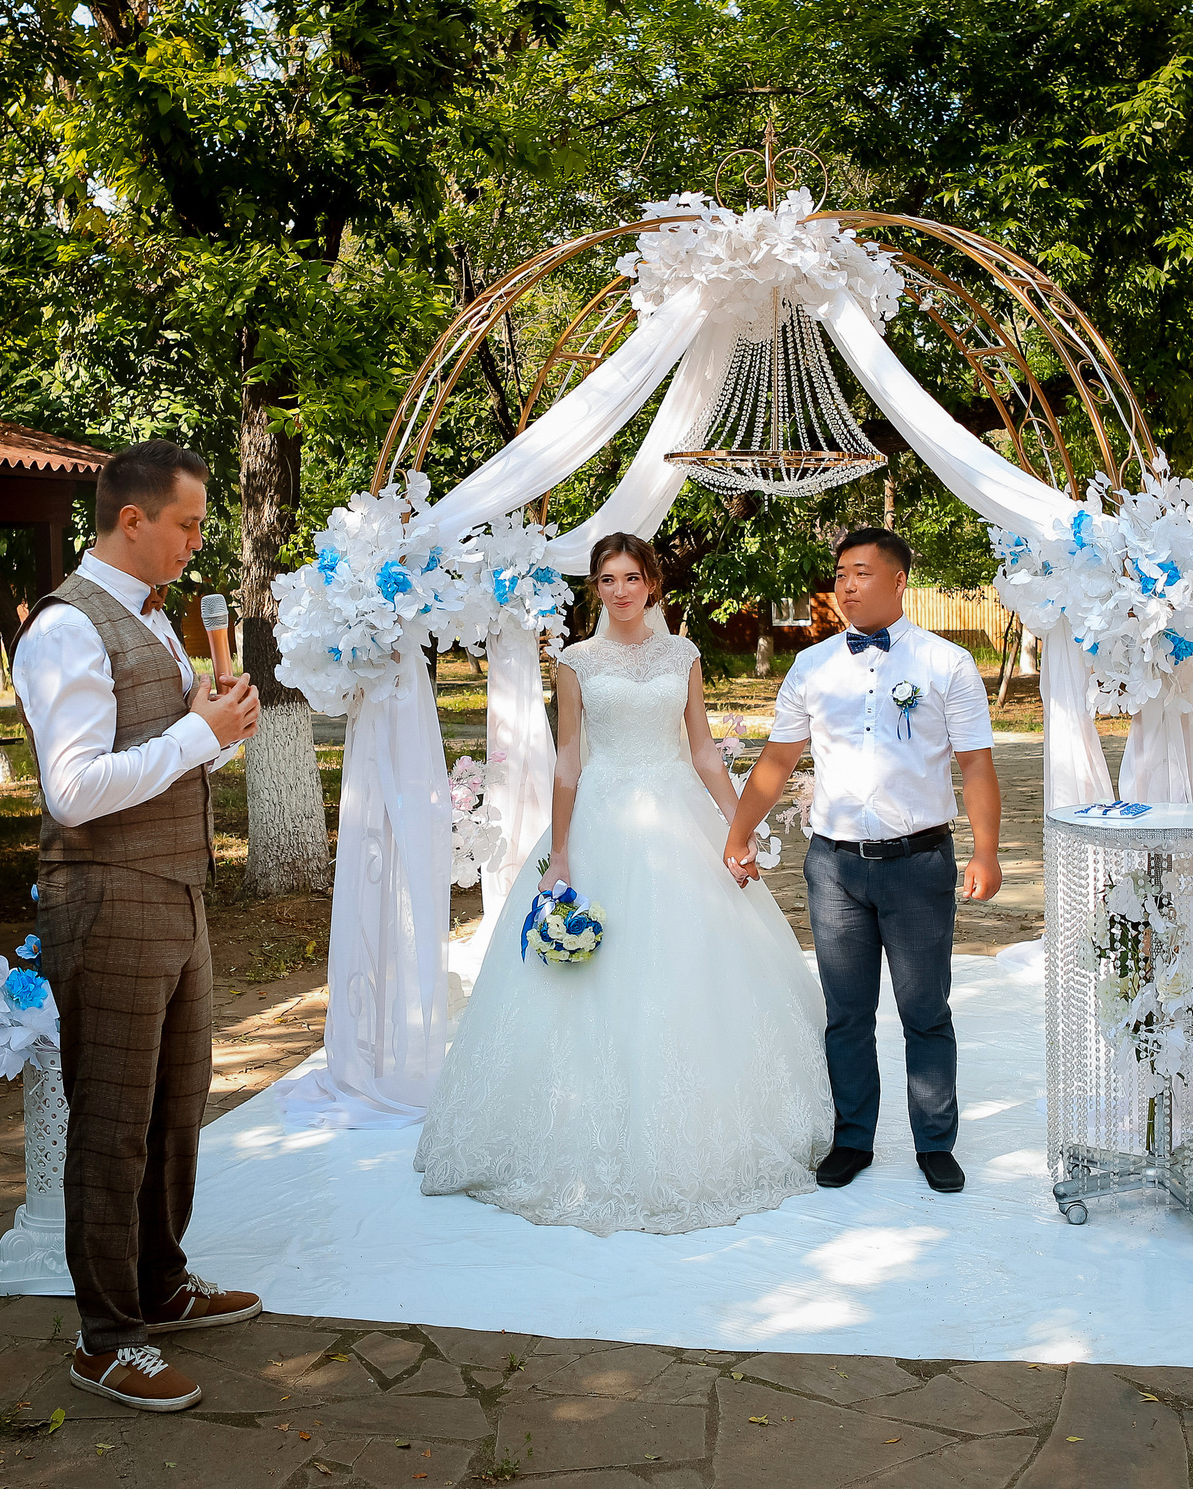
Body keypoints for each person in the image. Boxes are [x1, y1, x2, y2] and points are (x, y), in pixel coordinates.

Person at [414, 533, 832, 1234]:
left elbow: (701, 750)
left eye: (631, 576)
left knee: (693, 968)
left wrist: (739, 829)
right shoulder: (575, 660)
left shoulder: (684, 655)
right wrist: (563, 852)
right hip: (603, 817)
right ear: (596, 588)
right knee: (588, 980)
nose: (619, 590)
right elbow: (570, 757)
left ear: (652, 583)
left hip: (678, 814)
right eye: (607, 578)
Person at [12, 440, 263, 1413]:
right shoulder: (67, 629)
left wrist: (217, 731)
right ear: (132, 519)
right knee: (112, 1125)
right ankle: (105, 1337)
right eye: (188, 525)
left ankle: (160, 1279)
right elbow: (73, 792)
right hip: (107, 894)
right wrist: (198, 736)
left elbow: (161, 750)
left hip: (176, 888)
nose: (196, 545)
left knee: (175, 1105)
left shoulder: (154, 625)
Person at [725, 527, 1002, 1195]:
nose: (846, 584)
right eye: (840, 573)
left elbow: (975, 764)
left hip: (919, 862)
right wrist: (739, 834)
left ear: (898, 578)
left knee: (924, 1008)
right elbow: (777, 760)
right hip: (835, 868)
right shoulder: (812, 666)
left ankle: (936, 1140)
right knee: (846, 1010)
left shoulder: (947, 663)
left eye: (861, 571)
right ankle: (853, 1137)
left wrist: (987, 850)